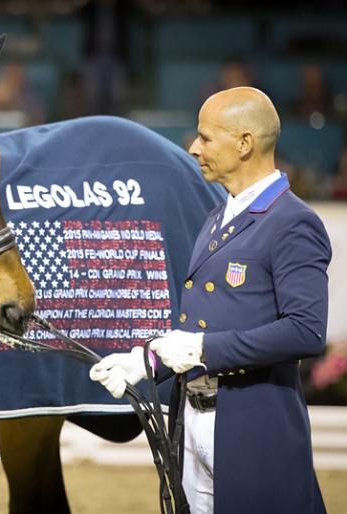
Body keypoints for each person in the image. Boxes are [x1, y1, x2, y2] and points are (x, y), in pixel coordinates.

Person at [91, 87, 331, 513]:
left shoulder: (292, 222)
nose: (193, 148)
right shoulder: (218, 217)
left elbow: (305, 330)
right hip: (192, 423)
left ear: (244, 143)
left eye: (205, 138)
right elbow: (204, 321)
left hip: (251, 427)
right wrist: (147, 362)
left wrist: (203, 350)